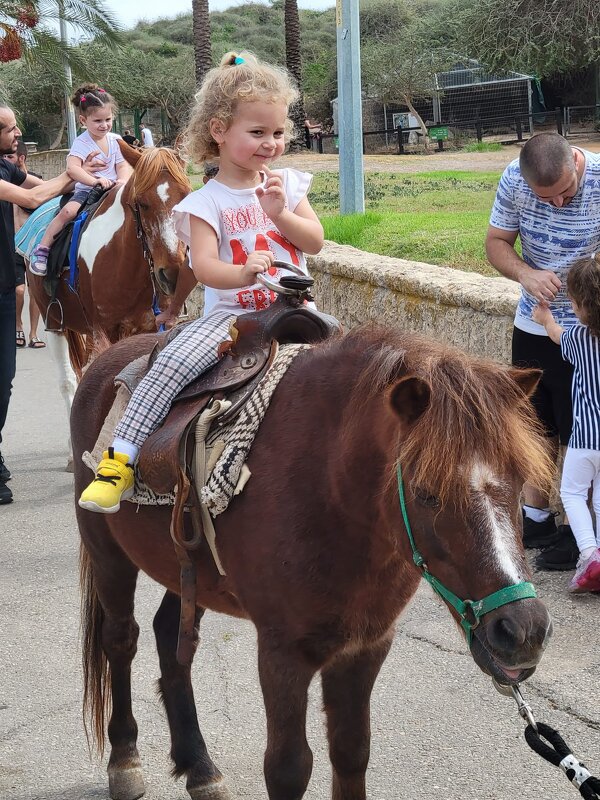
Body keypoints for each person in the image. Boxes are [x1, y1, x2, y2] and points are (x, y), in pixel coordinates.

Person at [79, 50, 324, 513]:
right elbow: (207, 268)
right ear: (218, 131)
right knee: (168, 368)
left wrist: (281, 215)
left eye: (278, 132)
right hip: (230, 318)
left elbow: (313, 243)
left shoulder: (287, 185)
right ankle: (119, 460)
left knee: (357, 367)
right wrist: (245, 271)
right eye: (257, 133)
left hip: (294, 310)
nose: (270, 143)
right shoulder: (204, 203)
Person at [486, 132, 600, 570]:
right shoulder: (513, 179)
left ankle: (578, 531)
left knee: (582, 424)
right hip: (534, 321)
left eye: (565, 193)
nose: (557, 204)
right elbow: (496, 244)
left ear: (575, 162)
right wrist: (527, 275)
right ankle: (536, 518)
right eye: (544, 197)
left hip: (589, 326)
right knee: (534, 421)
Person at [0, 104, 102, 505]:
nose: (16, 132)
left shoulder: (6, 165)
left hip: (6, 286)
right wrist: (73, 174)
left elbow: (35, 182)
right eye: (7, 128)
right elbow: (31, 195)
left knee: (4, 382)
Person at [532, 254, 600, 592]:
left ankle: (589, 555)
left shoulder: (578, 339)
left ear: (580, 307)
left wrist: (545, 316)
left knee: (572, 492)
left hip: (585, 439)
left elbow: (555, 334)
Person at [30, 84, 133, 277]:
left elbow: (123, 165)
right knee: (69, 211)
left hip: (115, 189)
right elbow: (73, 168)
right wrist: (94, 181)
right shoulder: (81, 142)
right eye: (98, 121)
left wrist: (122, 180)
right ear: (83, 120)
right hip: (89, 190)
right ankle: (43, 249)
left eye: (108, 119)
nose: (104, 125)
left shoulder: (116, 140)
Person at [4, 142, 45, 348]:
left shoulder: (34, 182)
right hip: (12, 247)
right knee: (19, 291)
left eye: (10, 157)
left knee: (36, 292)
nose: (5, 161)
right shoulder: (5, 180)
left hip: (34, 246)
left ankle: (34, 333)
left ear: (21, 158)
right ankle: (18, 326)